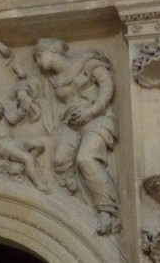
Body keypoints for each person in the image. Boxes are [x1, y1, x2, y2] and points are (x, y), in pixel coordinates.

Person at [34, 38, 120, 235]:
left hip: (96, 117)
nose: (38, 62)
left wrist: (93, 109)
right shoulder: (52, 80)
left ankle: (106, 210)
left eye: (39, 56)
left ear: (52, 51)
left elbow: (106, 84)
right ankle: (75, 203)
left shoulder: (86, 62)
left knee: (85, 158)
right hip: (71, 123)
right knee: (59, 160)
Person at [0, 102, 50, 193]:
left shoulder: (3, 120)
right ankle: (38, 184)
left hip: (13, 142)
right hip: (1, 146)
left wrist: (22, 106)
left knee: (39, 145)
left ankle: (26, 163)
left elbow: (16, 115)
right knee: (27, 158)